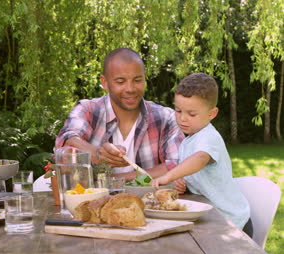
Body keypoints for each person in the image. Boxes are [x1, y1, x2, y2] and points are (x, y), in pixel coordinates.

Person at [55, 48, 186, 192]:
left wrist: (120, 179)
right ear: (104, 82)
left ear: (145, 78)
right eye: (120, 81)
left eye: (137, 80)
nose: (130, 89)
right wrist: (97, 154)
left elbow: (178, 165)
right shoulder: (88, 109)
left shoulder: (166, 118)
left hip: (148, 207)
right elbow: (67, 139)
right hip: (92, 206)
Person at [150, 73, 252, 235]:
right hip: (210, 216)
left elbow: (199, 159)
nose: (183, 118)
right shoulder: (189, 140)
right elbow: (192, 171)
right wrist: (181, 182)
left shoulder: (209, 137)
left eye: (191, 114)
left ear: (212, 114)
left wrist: (168, 176)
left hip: (231, 221)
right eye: (178, 110)